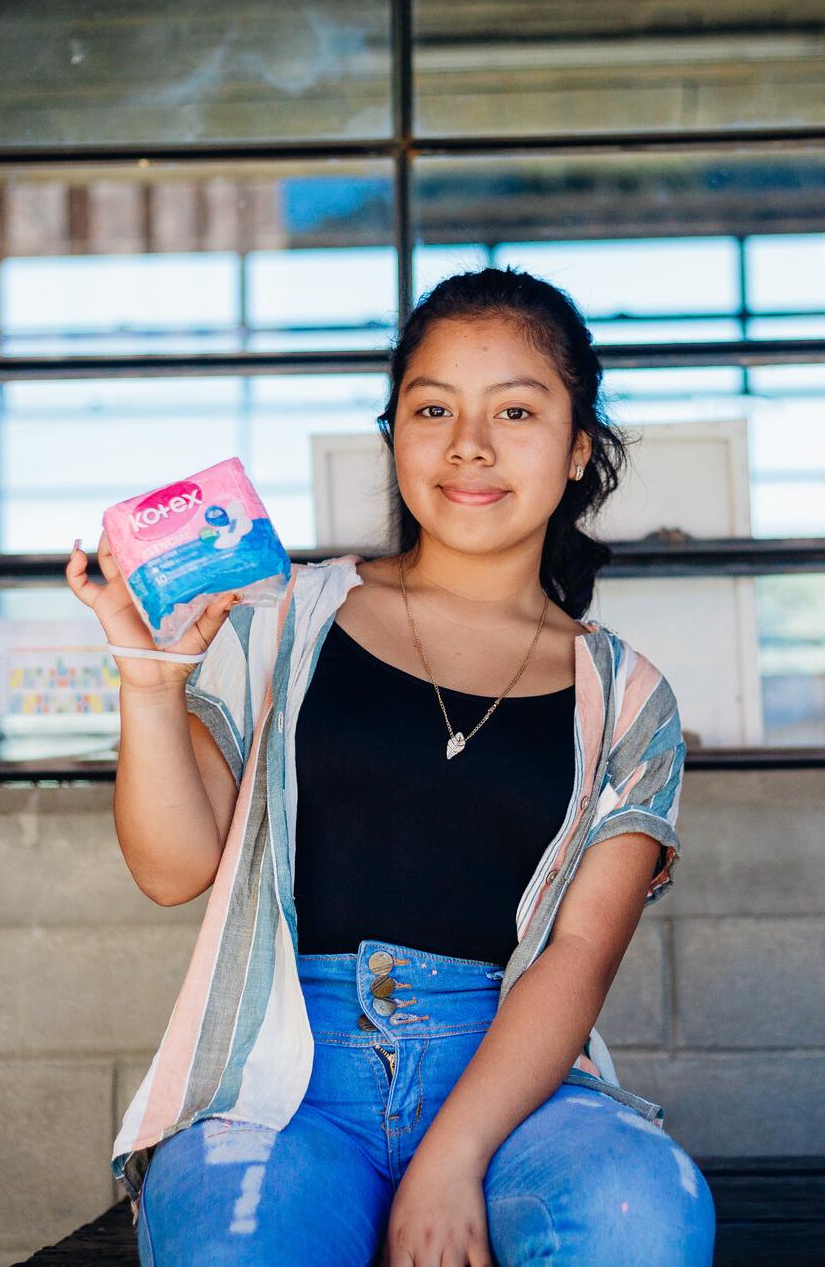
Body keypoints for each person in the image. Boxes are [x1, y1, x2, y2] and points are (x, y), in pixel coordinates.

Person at [65, 267, 714, 1266]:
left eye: (515, 410)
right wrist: (149, 682)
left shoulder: (626, 696)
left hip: (516, 1086)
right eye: (432, 407)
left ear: (579, 445)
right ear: (392, 433)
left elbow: (577, 957)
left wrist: (453, 1155)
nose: (470, 444)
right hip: (282, 1089)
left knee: (642, 1215)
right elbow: (170, 868)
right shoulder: (278, 618)